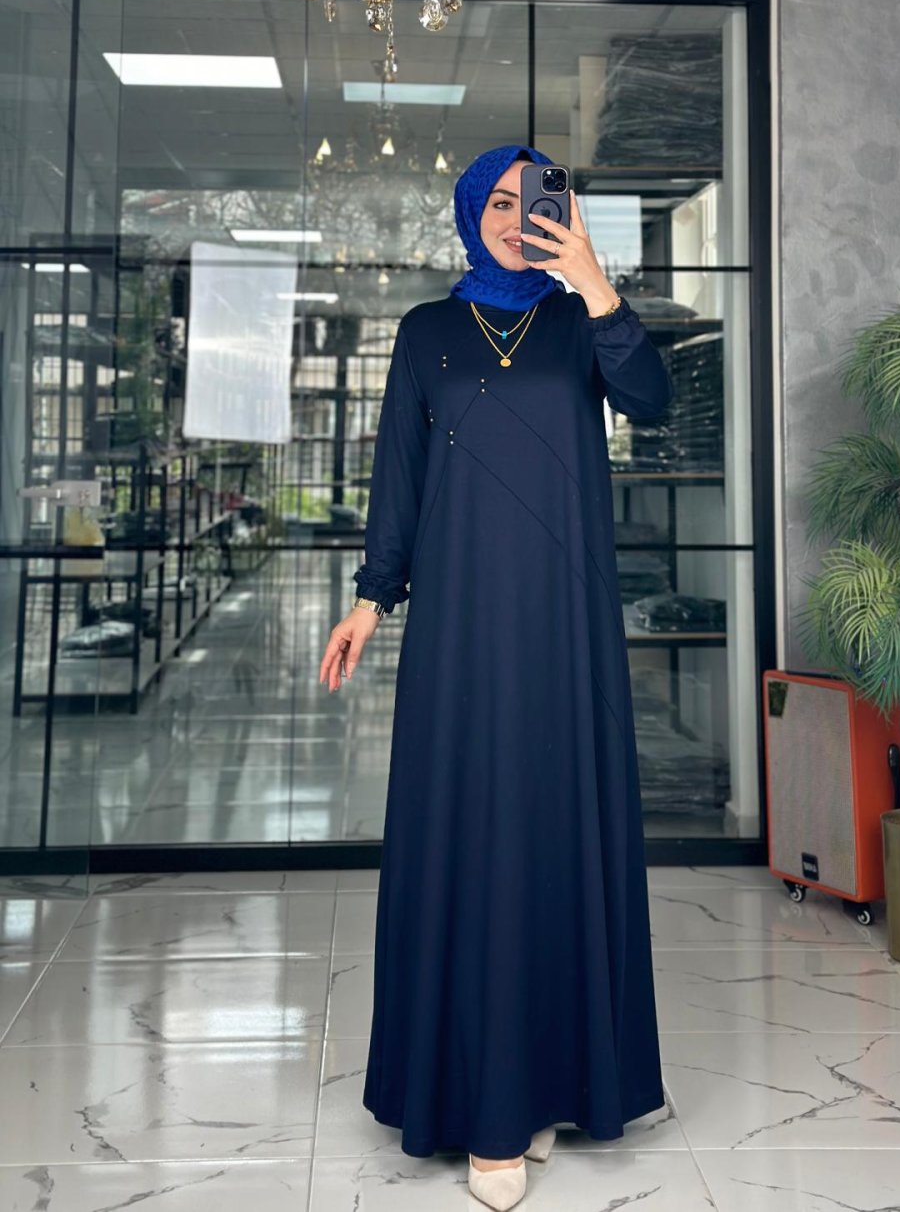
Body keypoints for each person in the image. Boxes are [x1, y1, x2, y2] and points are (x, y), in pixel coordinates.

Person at [319, 144, 672, 1211]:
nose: (521, 217)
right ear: (472, 212)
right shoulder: (426, 331)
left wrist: (597, 284)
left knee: (555, 834)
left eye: (539, 200)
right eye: (502, 202)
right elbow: (398, 477)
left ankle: (551, 1081)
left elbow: (652, 402)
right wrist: (371, 598)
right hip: (461, 629)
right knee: (471, 839)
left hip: (565, 627)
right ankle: (483, 1101)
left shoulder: (579, 323)